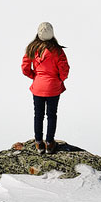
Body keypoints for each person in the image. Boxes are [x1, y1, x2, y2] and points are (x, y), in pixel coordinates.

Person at [21, 22, 69, 154]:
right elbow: (64, 70)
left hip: (38, 87)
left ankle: (38, 143)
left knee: (38, 115)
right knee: (51, 115)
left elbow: (25, 68)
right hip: (53, 87)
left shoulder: (31, 48)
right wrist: (59, 79)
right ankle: (49, 142)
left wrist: (35, 77)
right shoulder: (58, 51)